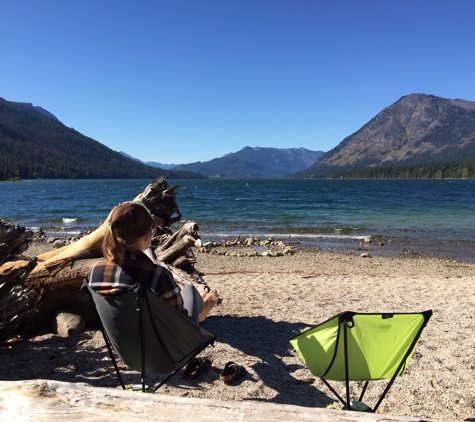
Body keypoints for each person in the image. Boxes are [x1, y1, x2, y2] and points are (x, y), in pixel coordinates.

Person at [87, 201, 219, 323]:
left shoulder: (95, 271)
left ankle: (202, 308)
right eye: (151, 228)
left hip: (122, 345)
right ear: (146, 237)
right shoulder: (157, 275)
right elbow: (181, 321)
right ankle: (204, 309)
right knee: (190, 291)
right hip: (162, 346)